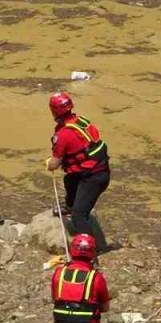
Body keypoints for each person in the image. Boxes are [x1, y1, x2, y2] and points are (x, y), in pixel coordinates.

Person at [46, 92, 110, 247]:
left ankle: (87, 250)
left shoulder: (63, 135)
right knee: (69, 179)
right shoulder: (82, 121)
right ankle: (69, 205)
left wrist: (49, 163)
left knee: (79, 216)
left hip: (92, 178)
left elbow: (55, 164)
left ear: (53, 111)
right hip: (99, 169)